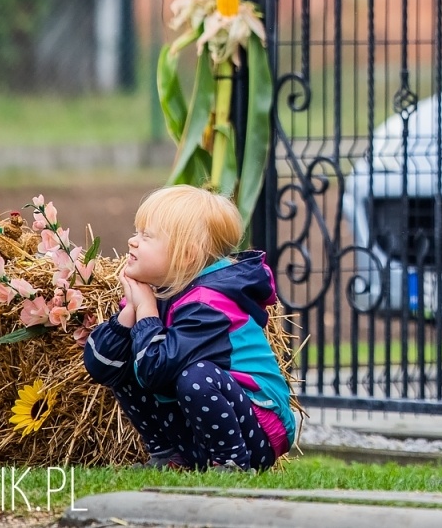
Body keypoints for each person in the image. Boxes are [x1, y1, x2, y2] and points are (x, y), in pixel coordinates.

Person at [82, 186, 295, 471]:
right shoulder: (160, 292)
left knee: (196, 376)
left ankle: (232, 465)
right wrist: (130, 314)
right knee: (126, 361)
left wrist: (145, 311)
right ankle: (170, 456)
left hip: (258, 428)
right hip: (200, 431)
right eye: (137, 232)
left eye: (147, 236)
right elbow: (102, 367)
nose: (133, 242)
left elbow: (155, 370)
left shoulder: (210, 304)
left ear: (186, 256)